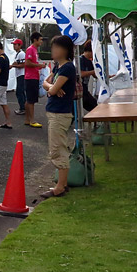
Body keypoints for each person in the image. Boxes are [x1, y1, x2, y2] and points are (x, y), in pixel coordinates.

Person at [41, 36, 77, 199]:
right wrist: (52, 87)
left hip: (60, 113)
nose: (53, 50)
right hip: (54, 111)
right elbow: (46, 83)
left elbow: (52, 90)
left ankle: (60, 187)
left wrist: (52, 88)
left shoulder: (67, 67)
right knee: (56, 146)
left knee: (58, 149)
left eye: (56, 47)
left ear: (65, 50)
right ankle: (62, 183)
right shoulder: (58, 66)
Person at [24, 32, 47, 128]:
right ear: (35, 40)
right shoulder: (30, 49)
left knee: (29, 99)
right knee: (31, 100)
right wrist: (39, 65)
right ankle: (32, 120)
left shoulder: (34, 50)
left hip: (33, 77)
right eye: (40, 39)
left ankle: (27, 119)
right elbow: (27, 63)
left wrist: (39, 66)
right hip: (31, 77)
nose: (41, 41)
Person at [0, 41, 12, 129]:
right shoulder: (6, 57)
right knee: (4, 103)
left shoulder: (0, 59)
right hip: (4, 83)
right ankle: (8, 122)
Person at [79, 41, 98, 112]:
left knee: (95, 107)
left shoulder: (90, 62)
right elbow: (80, 74)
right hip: (78, 90)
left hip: (85, 91)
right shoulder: (80, 60)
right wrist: (93, 72)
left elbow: (95, 75)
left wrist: (107, 77)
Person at [10, 38, 27, 115]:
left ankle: (22, 108)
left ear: (19, 45)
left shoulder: (21, 54)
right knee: (21, 92)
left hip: (22, 75)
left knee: (19, 92)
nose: (14, 46)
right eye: (13, 44)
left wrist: (13, 66)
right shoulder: (18, 54)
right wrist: (12, 65)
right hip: (19, 75)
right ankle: (24, 107)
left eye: (15, 44)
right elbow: (16, 63)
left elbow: (23, 65)